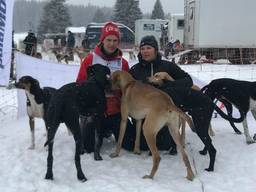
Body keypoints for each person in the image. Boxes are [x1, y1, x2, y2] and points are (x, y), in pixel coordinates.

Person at [76, 21, 135, 154]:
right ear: (102, 40)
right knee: (88, 147)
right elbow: (80, 83)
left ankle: (107, 130)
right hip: (95, 111)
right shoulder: (90, 59)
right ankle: (98, 130)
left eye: (115, 40)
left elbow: (128, 88)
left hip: (115, 111)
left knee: (130, 144)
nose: (112, 44)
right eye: (108, 40)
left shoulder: (123, 63)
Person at [129, 35, 193, 154]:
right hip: (144, 116)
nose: (145, 51)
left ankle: (172, 137)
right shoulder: (135, 70)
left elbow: (188, 81)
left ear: (156, 50)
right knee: (144, 145)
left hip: (165, 116)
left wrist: (167, 85)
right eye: (142, 48)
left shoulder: (168, 66)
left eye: (149, 48)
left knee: (164, 144)